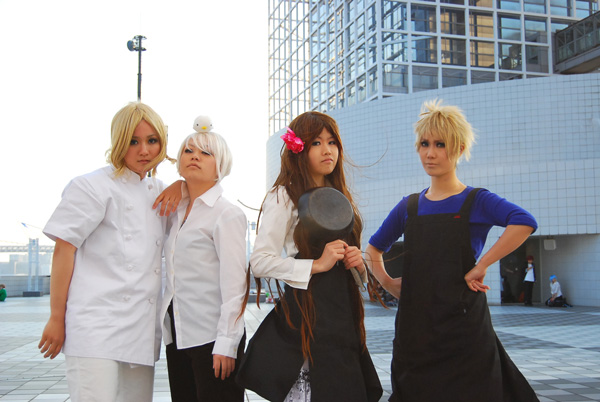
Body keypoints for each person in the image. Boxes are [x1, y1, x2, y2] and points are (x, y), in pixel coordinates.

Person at [365, 100, 540, 402]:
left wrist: (483, 264)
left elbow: (524, 222)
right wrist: (387, 283)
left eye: (440, 144)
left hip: (464, 329)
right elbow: (372, 249)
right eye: (424, 144)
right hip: (415, 331)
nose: (430, 153)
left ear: (459, 149)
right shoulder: (409, 207)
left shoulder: (477, 200)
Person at [38, 102, 180, 402]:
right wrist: (56, 318)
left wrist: (182, 185)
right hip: (95, 327)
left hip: (140, 330)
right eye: (133, 141)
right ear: (118, 142)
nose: (144, 150)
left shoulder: (161, 191)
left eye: (152, 140)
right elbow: (64, 250)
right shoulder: (92, 186)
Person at [236, 111, 383, 402]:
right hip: (308, 315)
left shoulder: (340, 195)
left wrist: (358, 265)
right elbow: (260, 261)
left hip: (342, 315)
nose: (327, 150)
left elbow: (356, 278)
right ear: (299, 149)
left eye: (332, 142)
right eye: (316, 143)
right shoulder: (284, 196)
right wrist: (316, 264)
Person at [159, 118, 248, 402]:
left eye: (206, 153)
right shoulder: (175, 211)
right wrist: (179, 185)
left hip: (213, 338)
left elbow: (236, 286)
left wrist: (227, 342)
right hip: (179, 333)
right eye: (189, 150)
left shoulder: (226, 214)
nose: (195, 156)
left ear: (220, 165)